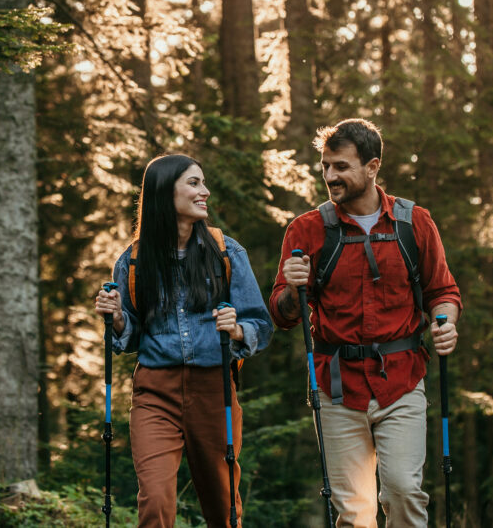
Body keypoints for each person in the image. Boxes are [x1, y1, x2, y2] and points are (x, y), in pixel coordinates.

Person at [269, 118, 461, 527]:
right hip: (336, 387)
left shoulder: (415, 223)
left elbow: (441, 291)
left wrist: (444, 322)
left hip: (403, 380)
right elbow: (282, 315)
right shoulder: (307, 230)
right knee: (353, 511)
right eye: (325, 166)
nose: (329, 176)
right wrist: (291, 289)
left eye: (340, 166)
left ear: (372, 167)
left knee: (404, 492)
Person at [94, 153, 273, 527]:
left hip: (214, 391)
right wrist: (116, 319)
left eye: (203, 183)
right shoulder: (133, 262)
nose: (204, 192)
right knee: (156, 500)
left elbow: (261, 323)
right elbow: (131, 337)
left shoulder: (226, 252)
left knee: (223, 507)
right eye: (194, 183)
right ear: (164, 192)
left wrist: (237, 329)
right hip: (155, 394)